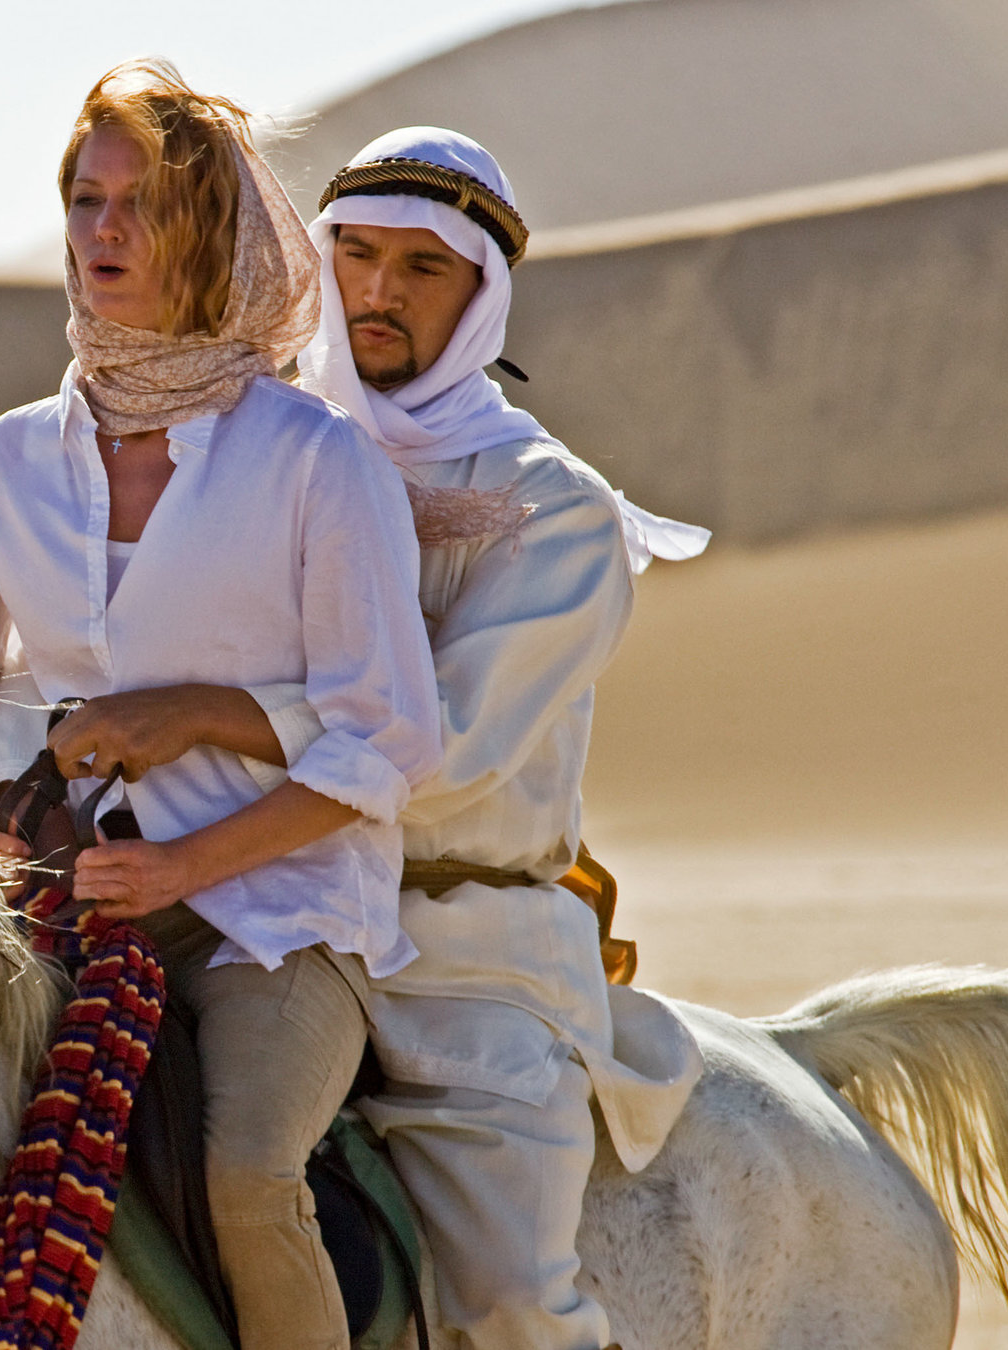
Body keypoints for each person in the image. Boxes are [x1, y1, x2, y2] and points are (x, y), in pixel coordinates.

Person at [0, 61, 441, 1350]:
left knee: (247, 1181)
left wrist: (184, 860)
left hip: (277, 916)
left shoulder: (315, 462)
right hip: (61, 914)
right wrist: (2, 856)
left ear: (210, 231)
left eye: (138, 205)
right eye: (83, 200)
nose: (101, 231)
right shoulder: (1, 466)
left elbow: (393, 736)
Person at [245, 127, 710, 1350]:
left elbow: (440, 755)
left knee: (507, 1303)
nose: (374, 293)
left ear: (481, 291)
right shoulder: (255, 453)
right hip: (249, 907)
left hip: (460, 954)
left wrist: (206, 737)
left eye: (420, 266)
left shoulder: (550, 508)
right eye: (351, 254)